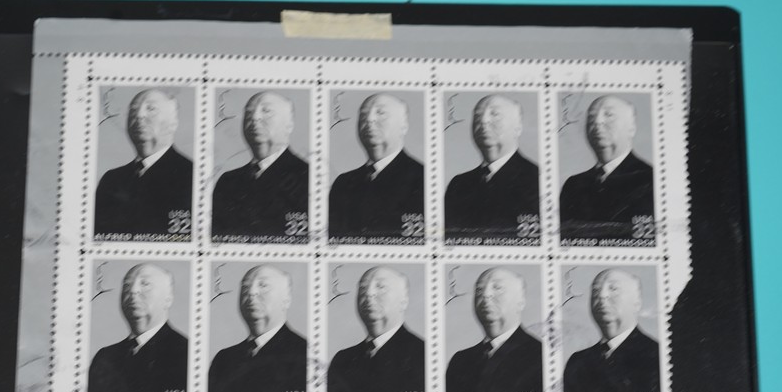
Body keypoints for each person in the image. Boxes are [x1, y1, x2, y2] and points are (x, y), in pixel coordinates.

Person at [88, 263, 189, 392]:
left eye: (145, 284)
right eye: (127, 286)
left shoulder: (187, 353)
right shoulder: (104, 357)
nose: (133, 291)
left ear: (168, 299)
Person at [206, 265, 307, 392]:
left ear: (286, 299)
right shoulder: (224, 359)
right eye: (245, 287)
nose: (251, 292)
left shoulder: (305, 354)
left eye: (263, 285)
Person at [94, 89, 193, 240]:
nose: (139, 116)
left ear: (173, 123)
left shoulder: (191, 175)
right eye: (133, 111)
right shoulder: (111, 180)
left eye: (151, 109)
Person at [327, 267, 425, 392]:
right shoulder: (342, 360)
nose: (368, 293)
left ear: (404, 301)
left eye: (381, 287)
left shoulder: (424, 355)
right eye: (362, 288)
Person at [563, 269, 660, 392]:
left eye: (614, 289)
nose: (601, 296)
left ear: (637, 302)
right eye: (595, 291)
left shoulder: (657, 356)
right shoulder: (577, 362)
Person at [445, 268, 542, 392]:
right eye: (479, 290)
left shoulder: (541, 356)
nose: (485, 295)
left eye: (497, 288)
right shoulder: (460, 360)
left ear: (521, 302)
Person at [212, 92, 309, 241]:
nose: (254, 117)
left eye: (266, 111)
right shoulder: (227, 181)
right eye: (248, 113)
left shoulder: (309, 177)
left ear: (289, 125)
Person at [328, 94, 424, 242]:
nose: (369, 119)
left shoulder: (424, 179)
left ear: (404, 126)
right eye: (363, 115)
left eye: (381, 113)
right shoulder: (343, 183)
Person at [559, 95, 654, 240]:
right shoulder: (573, 184)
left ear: (632, 128)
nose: (597, 122)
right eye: (591, 118)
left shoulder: (652, 180)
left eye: (609, 115)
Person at [444, 95, 540, 240]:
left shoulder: (537, 179)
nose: (483, 121)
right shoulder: (458, 184)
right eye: (477, 116)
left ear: (518, 128)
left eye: (495, 114)